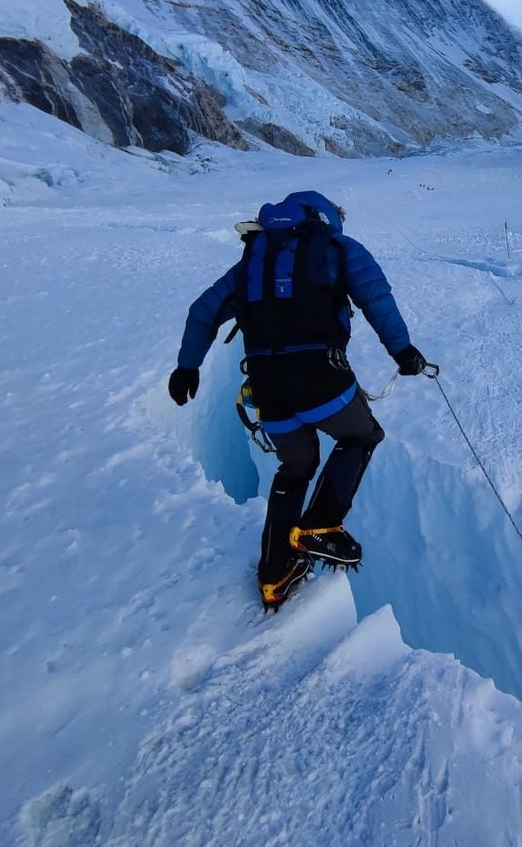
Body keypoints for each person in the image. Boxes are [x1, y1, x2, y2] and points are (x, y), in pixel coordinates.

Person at [167, 190, 429, 611]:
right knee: (363, 435)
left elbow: (204, 310)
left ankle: (275, 573)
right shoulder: (337, 248)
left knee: (296, 464)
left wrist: (187, 366)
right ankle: (322, 523)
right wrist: (403, 352)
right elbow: (376, 298)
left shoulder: (254, 264)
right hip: (319, 375)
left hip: (267, 387)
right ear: (326, 219)